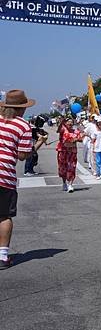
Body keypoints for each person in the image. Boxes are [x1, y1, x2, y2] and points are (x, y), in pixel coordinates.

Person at [0, 90, 44, 270]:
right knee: (4, 216)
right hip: (4, 175)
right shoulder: (23, 126)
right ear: (21, 109)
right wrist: (37, 145)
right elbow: (22, 155)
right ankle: (2, 256)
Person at [56, 116, 83, 192]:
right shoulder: (63, 130)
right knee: (62, 168)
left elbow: (81, 139)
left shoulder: (75, 131)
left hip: (72, 153)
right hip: (63, 152)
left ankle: (70, 184)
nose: (70, 123)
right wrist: (61, 122)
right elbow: (58, 130)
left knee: (71, 168)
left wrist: (77, 139)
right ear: (65, 123)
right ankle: (64, 183)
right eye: (68, 122)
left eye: (71, 122)